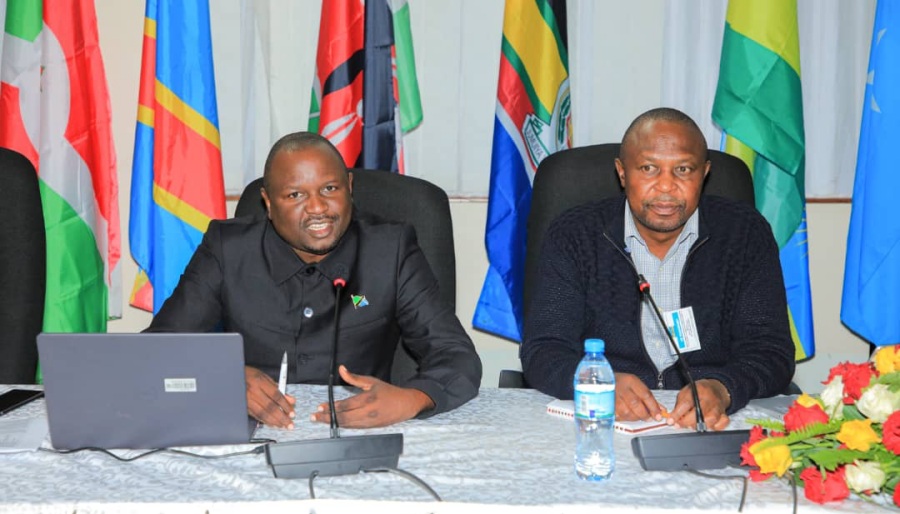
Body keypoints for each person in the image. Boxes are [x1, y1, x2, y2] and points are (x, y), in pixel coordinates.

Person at [147, 132, 482, 429]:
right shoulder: (228, 249)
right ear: (268, 202)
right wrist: (222, 376)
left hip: (357, 432)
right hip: (250, 432)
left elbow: (455, 355)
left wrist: (412, 398)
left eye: (330, 188)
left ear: (349, 187)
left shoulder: (389, 250)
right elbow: (157, 348)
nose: (318, 208)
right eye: (295, 195)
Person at [520, 107, 795, 431]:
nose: (666, 187)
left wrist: (724, 387)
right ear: (623, 173)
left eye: (683, 169)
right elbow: (542, 350)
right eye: (649, 168)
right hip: (605, 421)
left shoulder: (744, 234)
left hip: (705, 424)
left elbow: (770, 351)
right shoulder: (575, 235)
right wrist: (596, 381)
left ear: (704, 173)